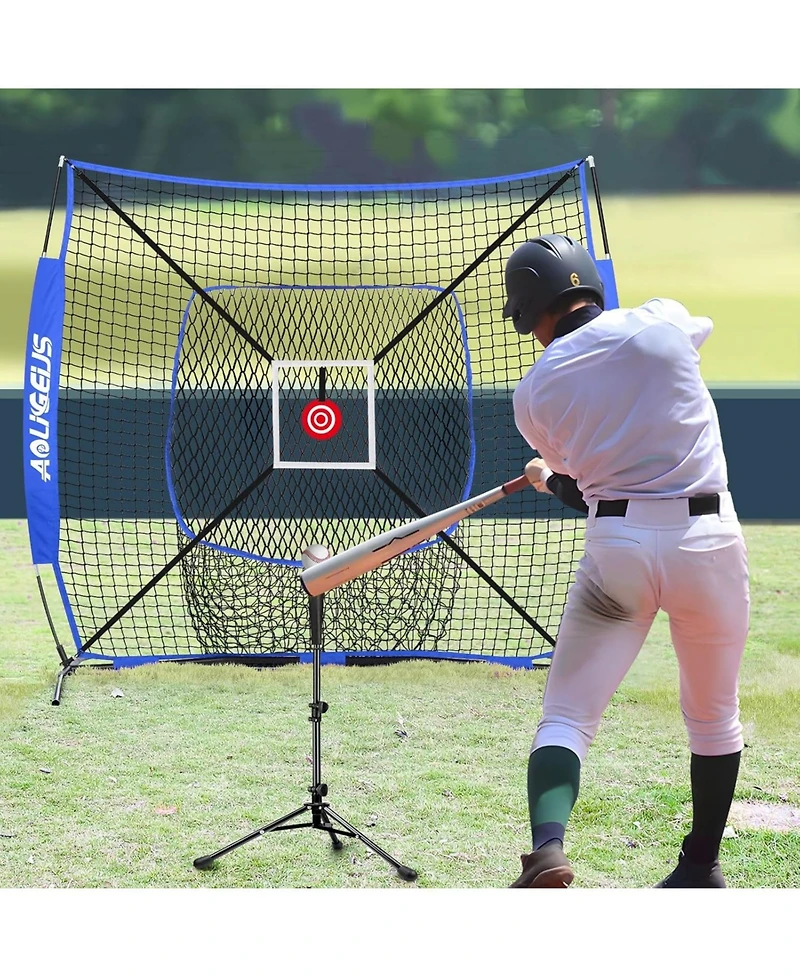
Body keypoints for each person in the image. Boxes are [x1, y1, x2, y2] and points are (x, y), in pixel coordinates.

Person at [502, 234, 749, 888]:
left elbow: (584, 489)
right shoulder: (663, 317)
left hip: (621, 550)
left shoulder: (533, 396)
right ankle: (701, 864)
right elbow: (670, 356)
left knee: (567, 715)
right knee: (713, 713)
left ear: (531, 312)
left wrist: (547, 477)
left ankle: (548, 847)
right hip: (709, 543)